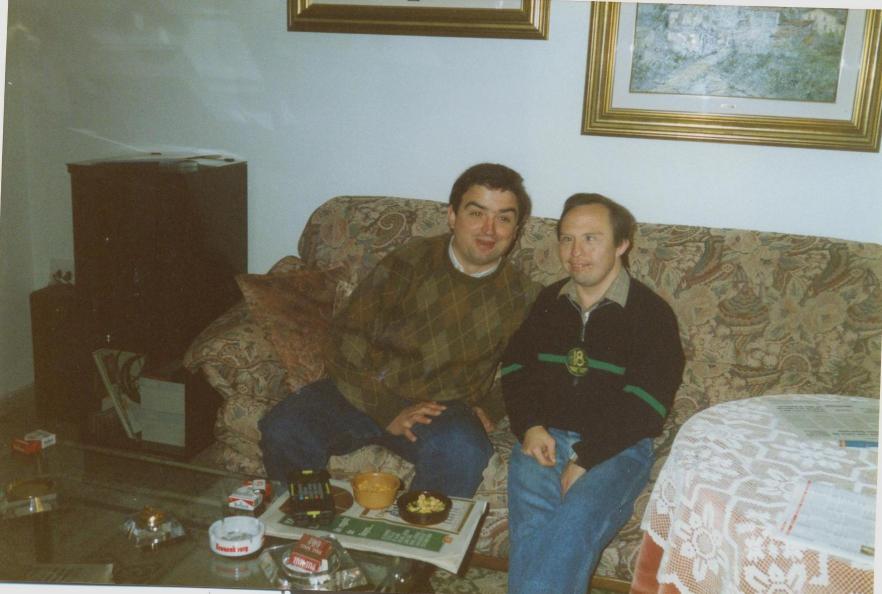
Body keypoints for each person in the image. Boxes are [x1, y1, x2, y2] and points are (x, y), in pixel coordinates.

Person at [259, 163, 540, 497]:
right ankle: (308, 519)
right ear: (452, 216)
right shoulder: (409, 261)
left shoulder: (524, 296)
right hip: (365, 390)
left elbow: (527, 371)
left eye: (503, 218)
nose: (489, 229)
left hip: (441, 410)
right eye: (476, 213)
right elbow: (345, 338)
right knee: (284, 426)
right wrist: (387, 408)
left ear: (516, 229)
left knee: (464, 452)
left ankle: (416, 530)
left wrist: (490, 408)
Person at [501, 193, 685, 594]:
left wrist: (586, 458)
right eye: (567, 239)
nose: (575, 252)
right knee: (533, 523)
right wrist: (530, 426)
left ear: (622, 244)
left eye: (591, 239)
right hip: (544, 435)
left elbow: (648, 403)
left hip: (618, 447)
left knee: (576, 521)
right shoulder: (548, 302)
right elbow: (515, 368)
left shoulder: (651, 314)